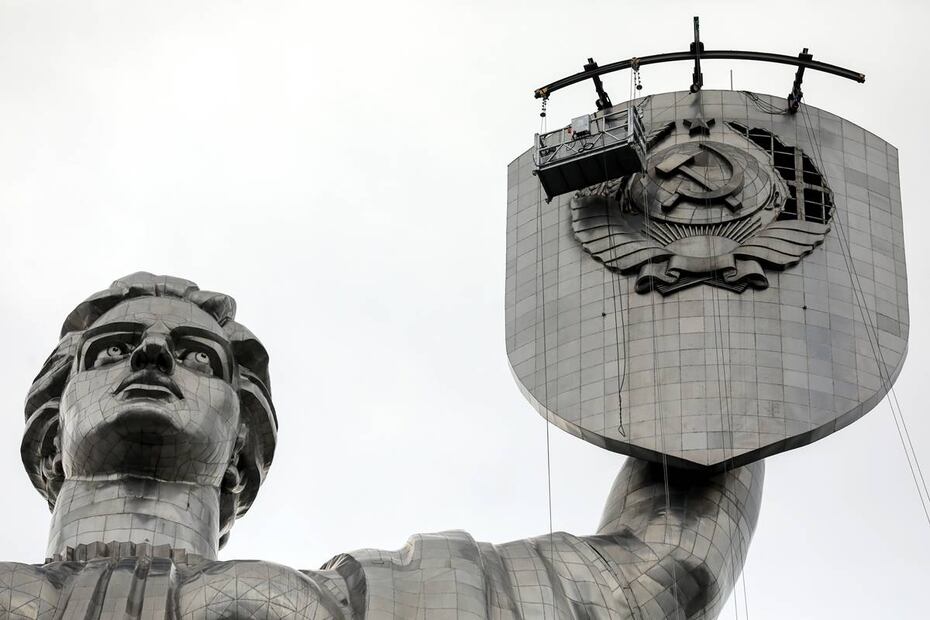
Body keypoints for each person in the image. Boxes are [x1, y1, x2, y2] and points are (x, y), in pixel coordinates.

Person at [4, 272, 763, 619]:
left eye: (198, 356)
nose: (152, 357)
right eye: (112, 348)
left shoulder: (371, 605)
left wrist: (718, 289)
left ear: (243, 439)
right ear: (49, 426)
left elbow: (669, 568)